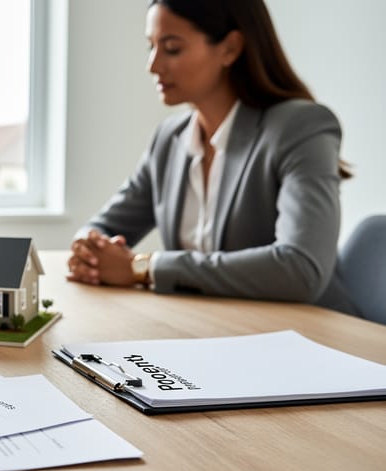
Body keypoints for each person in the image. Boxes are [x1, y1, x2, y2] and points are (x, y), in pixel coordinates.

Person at [67, 0, 357, 315]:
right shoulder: (170, 139)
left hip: (316, 336)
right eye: (151, 47)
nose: (153, 65)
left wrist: (144, 268)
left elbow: (300, 268)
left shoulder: (299, 127)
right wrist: (89, 251)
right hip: (214, 330)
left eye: (172, 49)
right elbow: (103, 226)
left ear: (230, 48)